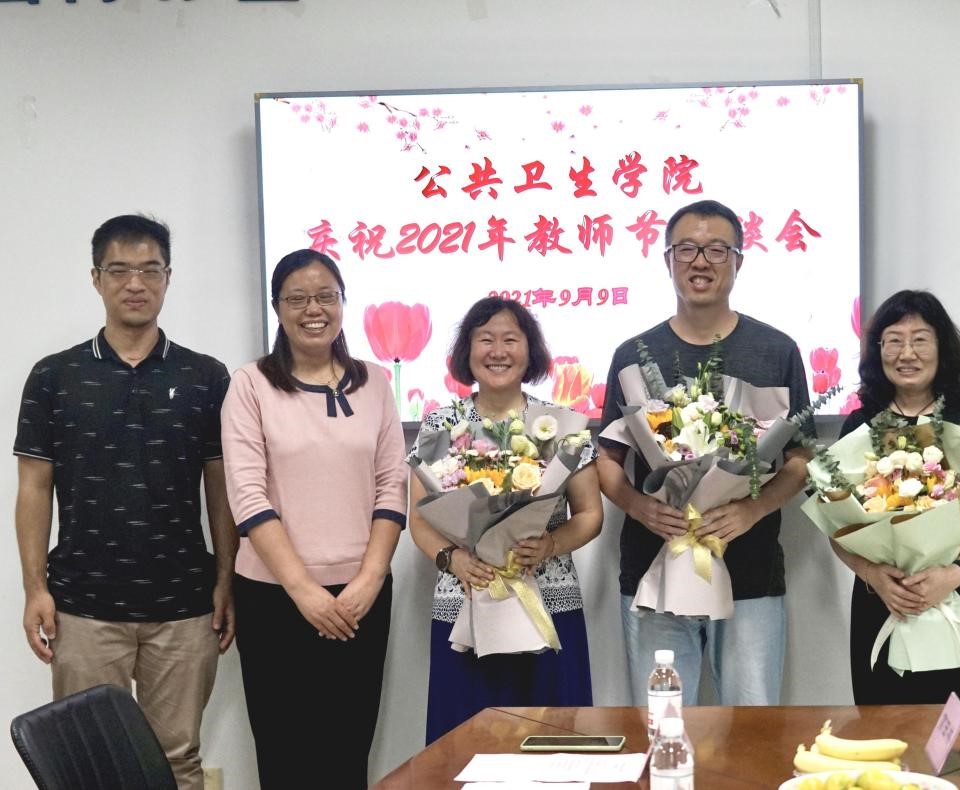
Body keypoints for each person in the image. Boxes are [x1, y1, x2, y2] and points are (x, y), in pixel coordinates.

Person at [14, 215, 236, 790]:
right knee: (91, 767)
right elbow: (33, 487)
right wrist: (35, 588)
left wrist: (225, 579)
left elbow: (221, 489)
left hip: (184, 605)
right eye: (119, 270)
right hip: (83, 606)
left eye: (149, 270)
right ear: (96, 278)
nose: (135, 283)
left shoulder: (205, 377)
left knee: (178, 760)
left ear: (168, 277)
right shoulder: (54, 376)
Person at [597, 199, 812, 707]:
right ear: (666, 260)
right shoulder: (633, 355)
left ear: (738, 261)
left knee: (752, 725)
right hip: (655, 566)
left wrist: (753, 508)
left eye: (717, 249)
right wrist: (640, 507)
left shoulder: (776, 350)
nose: (701, 261)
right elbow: (606, 459)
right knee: (663, 722)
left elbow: (799, 460)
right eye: (687, 249)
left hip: (750, 569)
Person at [221, 249, 407, 788]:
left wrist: (369, 578)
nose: (313, 310)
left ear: (343, 302)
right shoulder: (250, 384)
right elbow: (248, 495)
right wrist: (304, 592)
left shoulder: (375, 383)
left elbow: (391, 484)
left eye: (326, 296)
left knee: (348, 750)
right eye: (298, 298)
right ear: (277, 307)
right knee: (286, 754)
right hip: (274, 598)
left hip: (360, 598)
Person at [407, 296, 603, 744]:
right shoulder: (441, 424)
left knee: (555, 741)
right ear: (467, 350)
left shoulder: (560, 424)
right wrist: (452, 559)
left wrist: (550, 545)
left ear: (530, 351)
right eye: (485, 339)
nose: (498, 351)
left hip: (548, 602)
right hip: (466, 600)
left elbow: (591, 514)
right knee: (464, 744)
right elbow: (419, 519)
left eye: (511, 339)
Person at [834, 290, 960, 704]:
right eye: (894, 340)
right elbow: (837, 524)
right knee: (883, 727)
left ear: (942, 347)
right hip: (885, 596)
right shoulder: (860, 424)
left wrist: (956, 573)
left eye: (920, 339)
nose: (907, 353)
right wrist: (873, 575)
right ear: (878, 350)